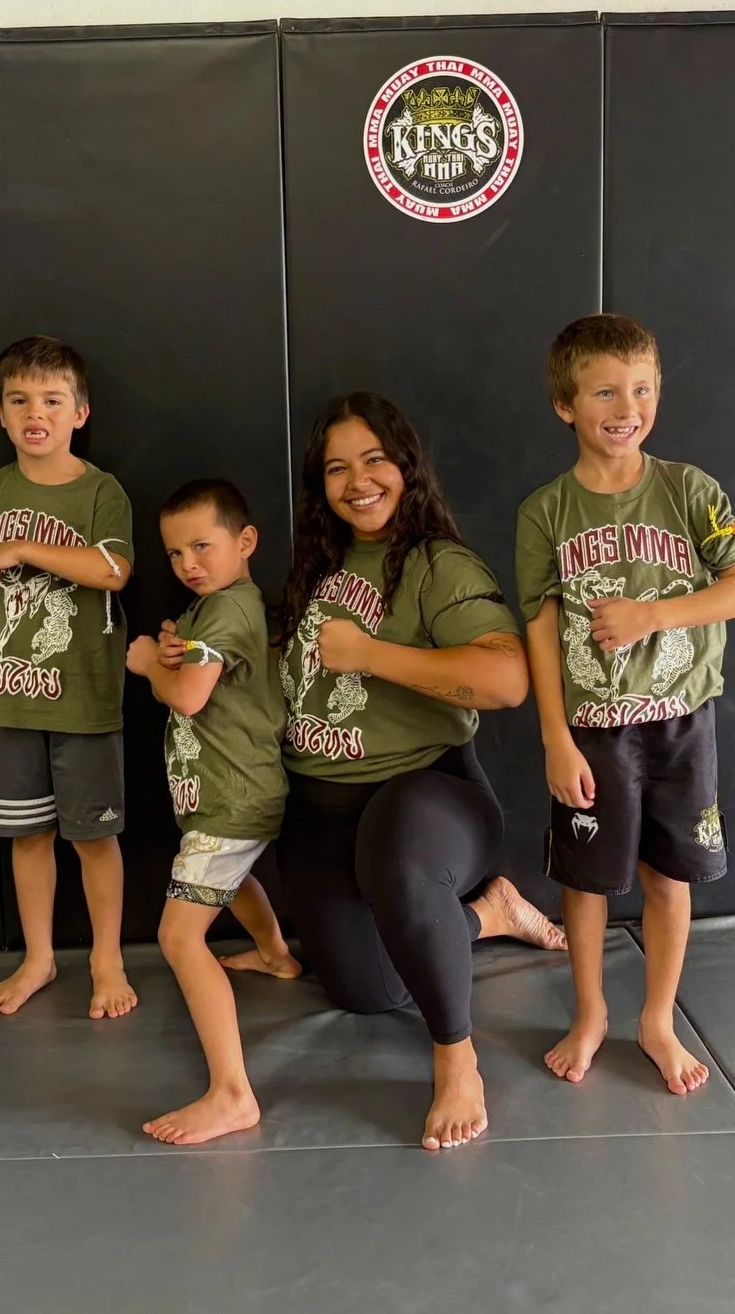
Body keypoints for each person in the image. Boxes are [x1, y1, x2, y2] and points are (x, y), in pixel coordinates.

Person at [277, 391, 566, 1153]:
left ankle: (457, 1059)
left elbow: (506, 681)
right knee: (367, 992)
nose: (358, 480)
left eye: (375, 459)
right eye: (337, 468)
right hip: (321, 805)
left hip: (428, 797)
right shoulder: (317, 567)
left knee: (399, 854)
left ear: (407, 466)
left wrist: (371, 654)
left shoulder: (439, 563)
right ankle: (490, 914)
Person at [515, 314, 735, 1094]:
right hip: (592, 728)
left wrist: (653, 613)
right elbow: (540, 627)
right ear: (566, 404)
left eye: (644, 388)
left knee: (669, 875)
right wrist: (554, 736)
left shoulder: (691, 490)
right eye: (606, 392)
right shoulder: (545, 512)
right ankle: (589, 1012)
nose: (628, 406)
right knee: (587, 881)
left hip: (682, 723)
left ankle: (657, 1018)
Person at [0, 335, 136, 1020]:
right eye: (20, 400)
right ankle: (40, 956)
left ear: (79, 412)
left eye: (52, 400)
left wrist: (27, 546)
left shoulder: (100, 492)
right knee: (27, 835)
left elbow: (114, 571)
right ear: (0, 414)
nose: (36, 412)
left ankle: (107, 960)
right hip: (9, 701)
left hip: (83, 700)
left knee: (92, 835)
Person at [126, 479, 298, 1146]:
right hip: (229, 797)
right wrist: (177, 644)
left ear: (245, 541)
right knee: (232, 880)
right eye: (174, 553)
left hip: (234, 797)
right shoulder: (218, 609)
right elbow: (200, 663)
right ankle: (275, 954)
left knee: (178, 936)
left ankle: (232, 1094)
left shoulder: (225, 608)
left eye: (203, 545)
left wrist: (146, 664)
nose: (188, 563)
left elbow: (190, 697)